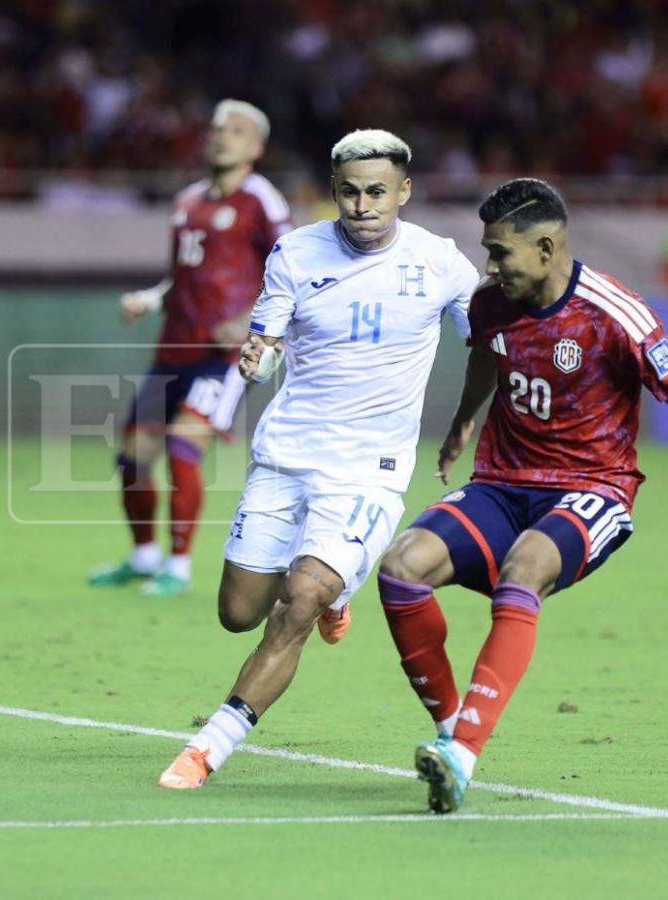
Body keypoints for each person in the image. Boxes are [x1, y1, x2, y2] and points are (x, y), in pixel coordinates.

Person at [376, 178, 668, 814]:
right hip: (502, 483)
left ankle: (462, 755)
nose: (490, 266)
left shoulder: (615, 313)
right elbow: (487, 353)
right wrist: (464, 419)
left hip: (591, 489)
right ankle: (451, 727)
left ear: (546, 248)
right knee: (401, 568)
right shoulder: (491, 303)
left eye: (500, 252)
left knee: (525, 568)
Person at [158, 129, 480, 789]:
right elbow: (267, 342)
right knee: (238, 612)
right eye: (350, 193)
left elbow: (492, 340)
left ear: (404, 191)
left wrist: (471, 417)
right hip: (286, 455)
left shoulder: (441, 262)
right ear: (334, 191)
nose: (363, 206)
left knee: (300, 598)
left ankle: (205, 750)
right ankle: (338, 586)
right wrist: (257, 357)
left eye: (377, 193)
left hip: (368, 468)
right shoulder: (296, 252)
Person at [88, 99, 292, 597]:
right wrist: (150, 299)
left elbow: (293, 270)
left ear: (256, 147)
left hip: (225, 358)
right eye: (218, 128)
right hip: (174, 348)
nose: (222, 136)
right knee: (134, 457)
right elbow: (183, 280)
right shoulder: (187, 203)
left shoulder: (262, 201)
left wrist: (250, 322)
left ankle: (177, 567)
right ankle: (143, 556)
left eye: (236, 130)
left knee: (183, 446)